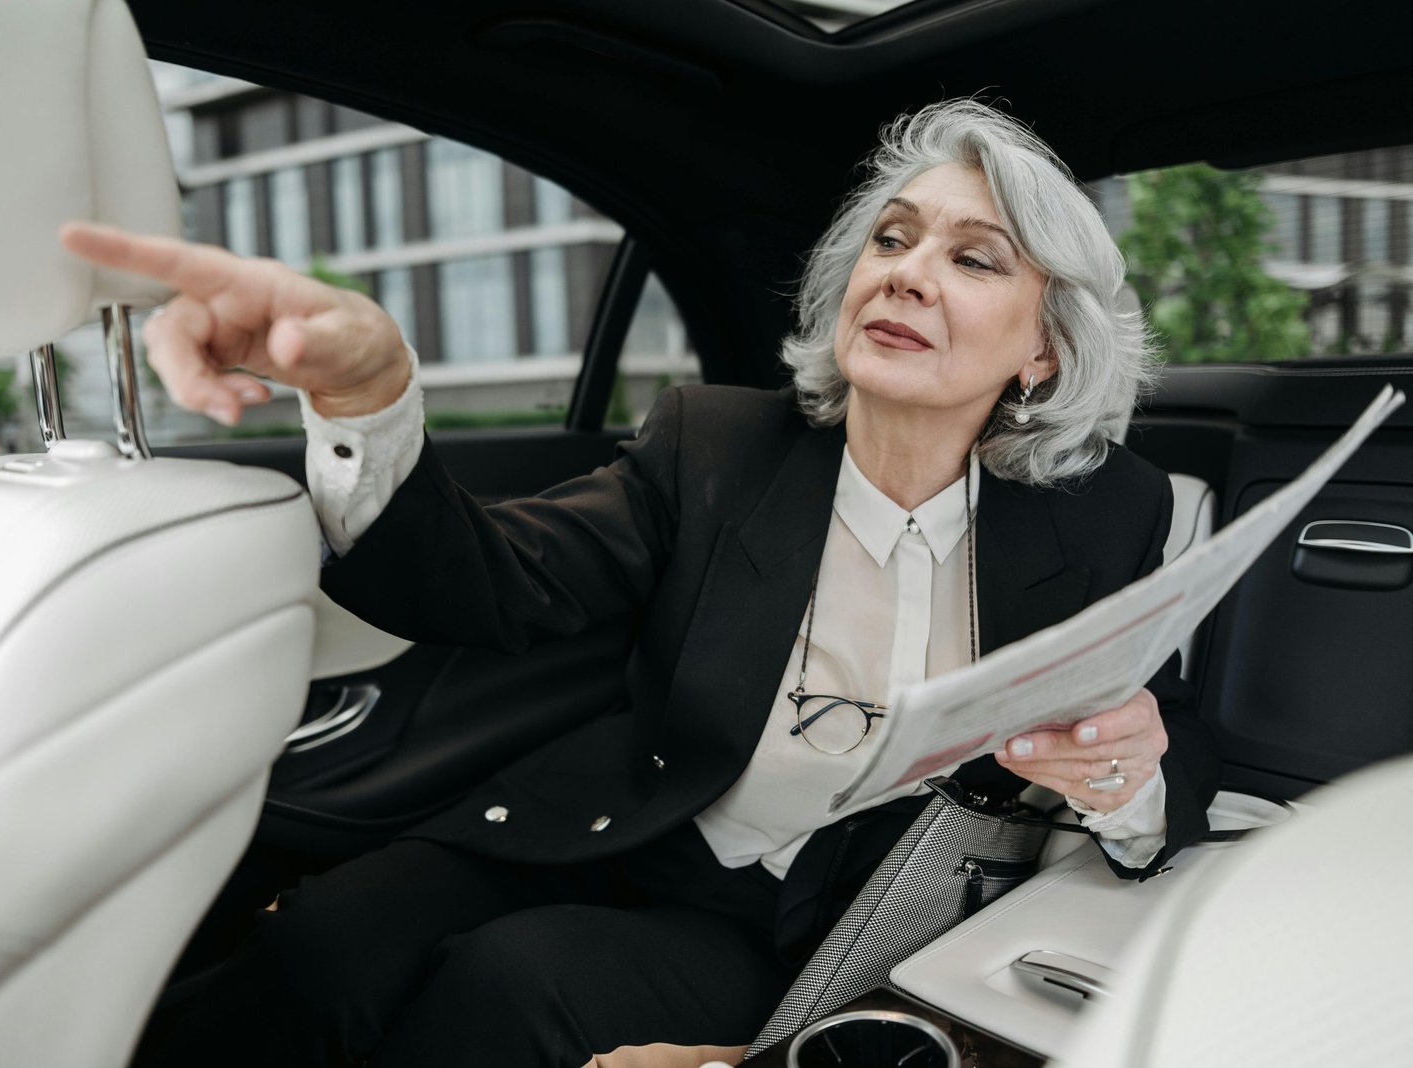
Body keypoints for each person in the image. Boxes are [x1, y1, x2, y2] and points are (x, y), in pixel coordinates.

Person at [66, 99, 1219, 1068]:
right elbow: (488, 585)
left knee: (519, 987)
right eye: (891, 240)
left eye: (972, 260)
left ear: (1043, 351)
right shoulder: (715, 444)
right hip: (619, 824)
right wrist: (369, 397)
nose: (908, 274)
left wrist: (1128, 781)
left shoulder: (1109, 512)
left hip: (802, 922)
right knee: (324, 939)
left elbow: (1160, 743)